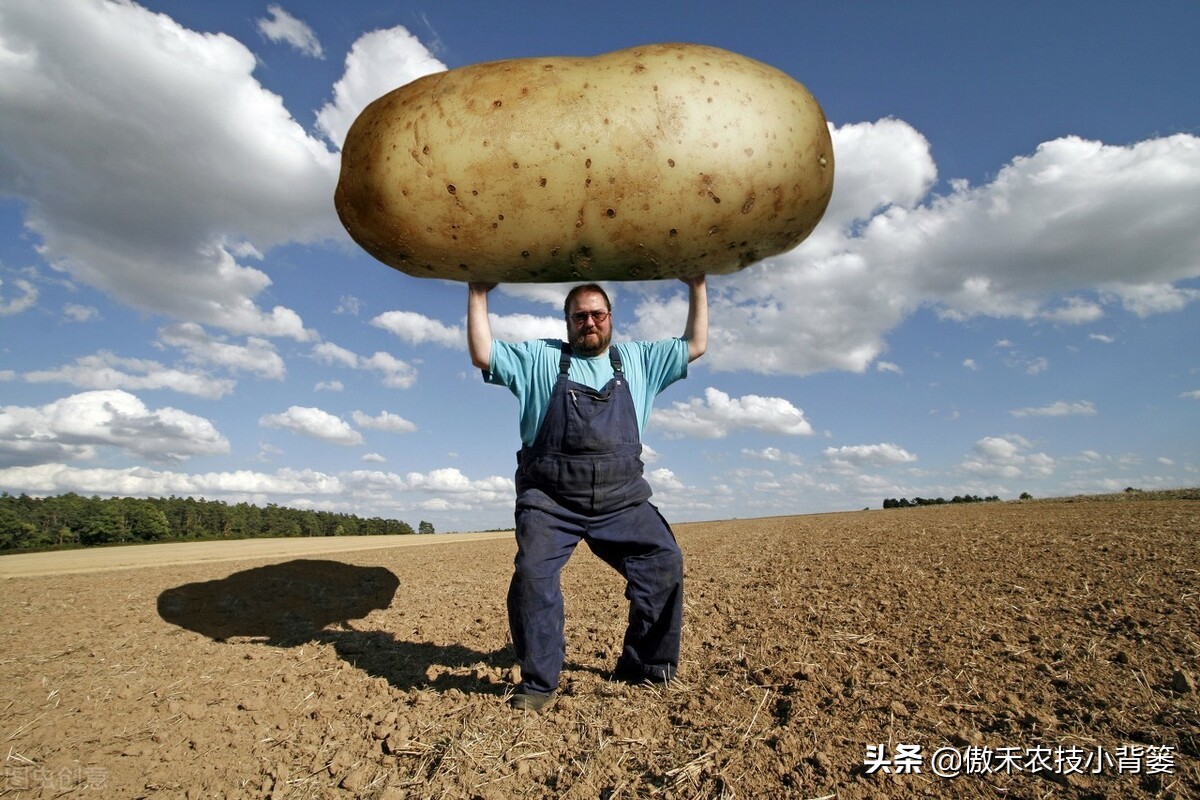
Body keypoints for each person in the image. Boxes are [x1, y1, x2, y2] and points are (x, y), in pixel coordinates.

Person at [468, 277, 708, 712]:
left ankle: (646, 667)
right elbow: (483, 353)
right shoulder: (539, 358)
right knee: (533, 574)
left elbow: (696, 343)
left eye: (598, 314)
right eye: (580, 316)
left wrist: (697, 283)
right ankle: (539, 683)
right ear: (567, 322)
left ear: (610, 318)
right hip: (550, 500)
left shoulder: (638, 360)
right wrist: (478, 292)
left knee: (664, 560)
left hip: (621, 499)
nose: (590, 322)